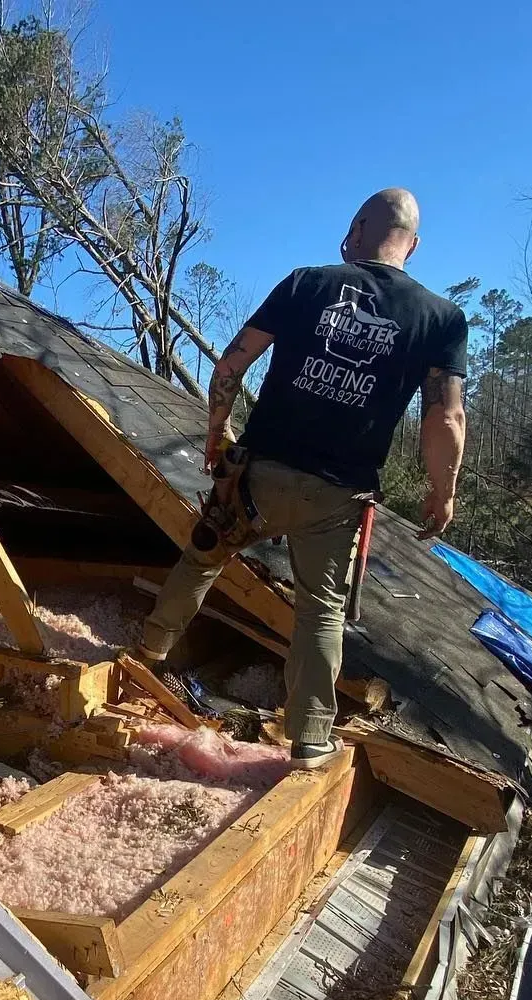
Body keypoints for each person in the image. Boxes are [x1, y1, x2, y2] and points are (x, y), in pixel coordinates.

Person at [137, 188, 468, 769]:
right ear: (412, 245)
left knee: (203, 559)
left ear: (358, 228)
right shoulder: (440, 319)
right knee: (321, 612)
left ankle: (146, 655)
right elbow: (445, 416)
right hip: (338, 495)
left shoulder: (306, 283)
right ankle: (311, 740)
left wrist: (218, 433)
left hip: (258, 476)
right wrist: (443, 493)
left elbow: (231, 365)